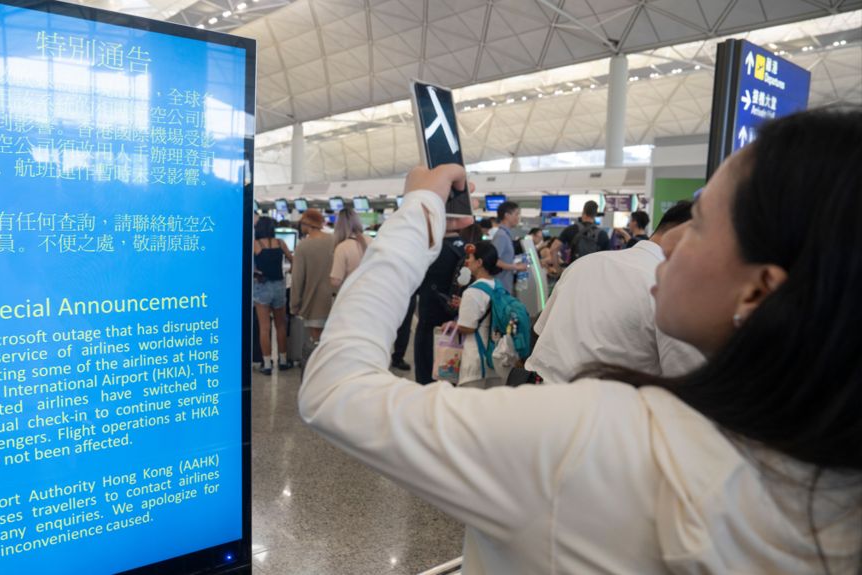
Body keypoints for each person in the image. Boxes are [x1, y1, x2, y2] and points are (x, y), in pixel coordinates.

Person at [299, 107, 862, 575]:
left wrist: (416, 214)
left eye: (704, 222)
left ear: (759, 291)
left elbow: (336, 389)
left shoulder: (595, 440)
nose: (669, 241)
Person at [526, 201, 703, 384]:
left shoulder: (583, 264)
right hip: (610, 407)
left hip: (539, 395)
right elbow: (685, 381)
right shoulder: (670, 289)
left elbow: (540, 331)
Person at [413, 230, 467, 384]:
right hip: (456, 316)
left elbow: (415, 283)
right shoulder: (467, 247)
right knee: (450, 366)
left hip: (430, 314)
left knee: (427, 363)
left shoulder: (432, 250)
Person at [451, 241, 502, 389]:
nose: (467, 261)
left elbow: (468, 328)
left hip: (476, 362)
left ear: (479, 262)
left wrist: (454, 325)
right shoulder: (497, 286)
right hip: (495, 359)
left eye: (470, 258)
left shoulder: (472, 291)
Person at [290, 208, 334, 355]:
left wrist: (294, 304)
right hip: (335, 302)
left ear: (307, 224)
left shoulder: (303, 246)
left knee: (316, 344)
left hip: (313, 304)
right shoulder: (334, 240)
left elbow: (297, 278)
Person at [252, 216, 293, 375]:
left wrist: (256, 273)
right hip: (279, 286)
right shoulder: (280, 243)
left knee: (264, 327)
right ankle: (283, 361)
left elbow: (249, 266)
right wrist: (290, 271)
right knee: (281, 325)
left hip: (262, 287)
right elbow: (292, 259)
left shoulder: (256, 244)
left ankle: (267, 364)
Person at [551, 200, 609, 267]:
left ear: (583, 212)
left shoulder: (570, 230)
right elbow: (607, 259)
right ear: (595, 214)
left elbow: (553, 249)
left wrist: (559, 271)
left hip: (575, 272)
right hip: (594, 272)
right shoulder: (603, 234)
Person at [329, 207, 371, 292]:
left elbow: (336, 281)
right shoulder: (371, 240)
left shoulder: (342, 247)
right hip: (370, 293)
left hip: (351, 296)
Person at [490, 201, 526, 292]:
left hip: (504, 284)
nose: (518, 218)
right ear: (507, 215)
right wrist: (516, 267)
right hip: (500, 286)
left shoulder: (505, 235)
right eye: (516, 214)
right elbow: (494, 260)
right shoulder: (501, 236)